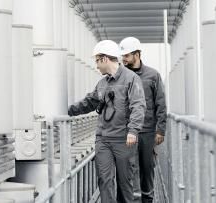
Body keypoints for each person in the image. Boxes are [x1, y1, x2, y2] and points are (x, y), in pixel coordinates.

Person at [68, 40, 147, 203]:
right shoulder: (102, 83)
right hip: (103, 140)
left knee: (125, 184)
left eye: (97, 60)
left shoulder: (131, 79)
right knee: (105, 181)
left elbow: (138, 105)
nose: (96, 66)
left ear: (104, 59)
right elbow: (89, 102)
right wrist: (67, 110)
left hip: (124, 140)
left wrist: (133, 130)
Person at [119, 37, 167, 203]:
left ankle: (148, 199)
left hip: (147, 131)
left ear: (137, 54)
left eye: (126, 55)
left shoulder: (153, 75)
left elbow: (161, 103)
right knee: (128, 169)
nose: (123, 59)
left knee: (147, 168)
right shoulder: (121, 75)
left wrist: (161, 130)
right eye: (122, 56)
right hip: (126, 131)